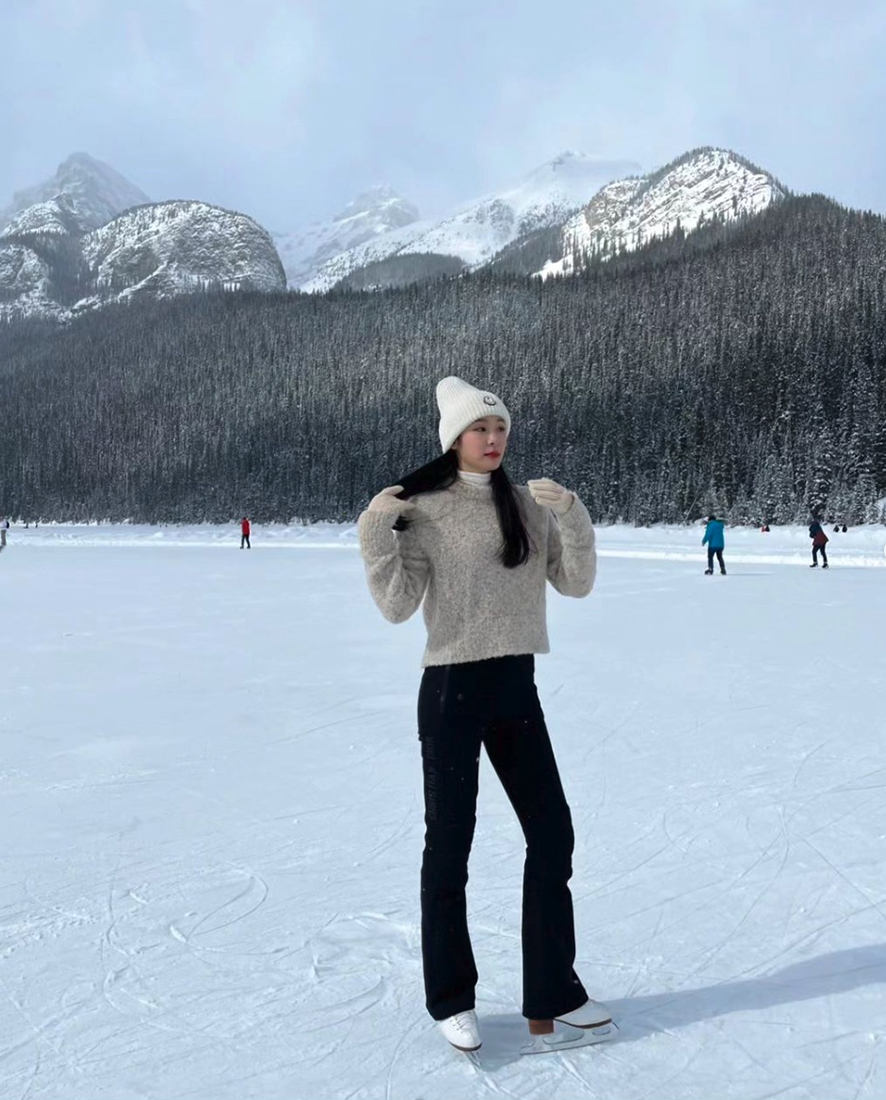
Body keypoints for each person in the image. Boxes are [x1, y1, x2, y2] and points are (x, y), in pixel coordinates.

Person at [357, 376, 613, 1057]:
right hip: (450, 689)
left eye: (500, 429)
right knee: (451, 844)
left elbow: (575, 582)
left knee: (552, 834)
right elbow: (396, 604)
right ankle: (451, 997)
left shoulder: (530, 506)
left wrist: (576, 517)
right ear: (455, 439)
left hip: (514, 684)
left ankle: (553, 990)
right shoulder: (428, 509)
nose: (494, 439)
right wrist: (378, 532)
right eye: (480, 430)